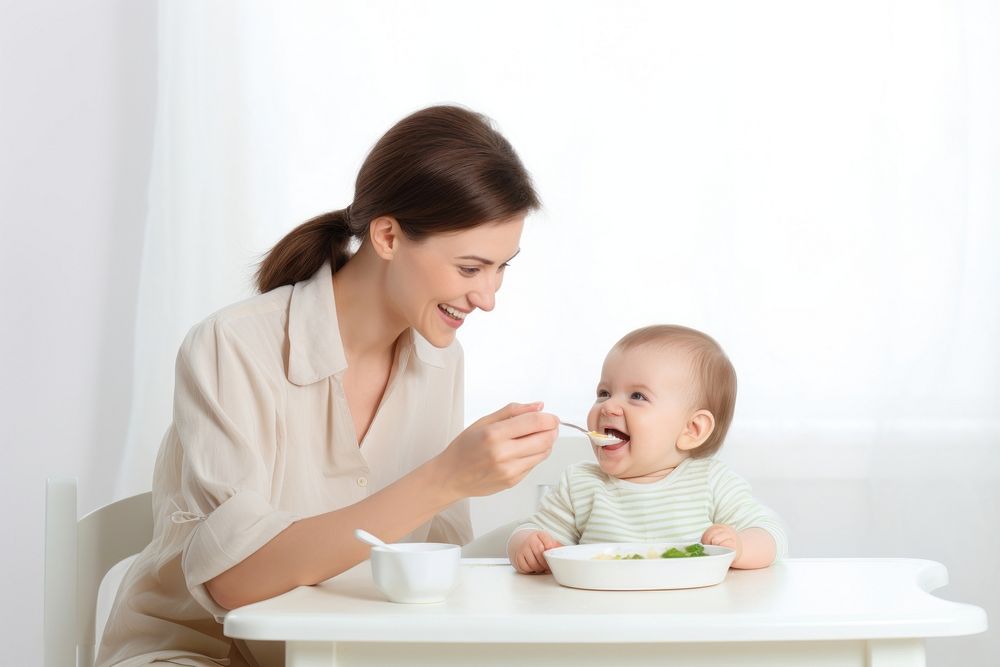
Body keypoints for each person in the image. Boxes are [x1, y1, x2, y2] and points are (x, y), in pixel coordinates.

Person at [97, 105, 560, 667]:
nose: (488, 298)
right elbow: (232, 581)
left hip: (350, 652)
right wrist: (445, 477)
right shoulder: (232, 344)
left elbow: (435, 562)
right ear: (387, 235)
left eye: (501, 267)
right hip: (199, 654)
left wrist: (529, 540)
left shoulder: (441, 360)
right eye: (469, 269)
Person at [507, 324, 787, 574]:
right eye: (604, 393)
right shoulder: (580, 485)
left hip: (690, 615)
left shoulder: (711, 482)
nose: (608, 406)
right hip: (601, 617)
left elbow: (772, 535)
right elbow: (531, 531)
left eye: (637, 396)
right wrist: (528, 545)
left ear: (692, 430)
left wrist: (739, 546)